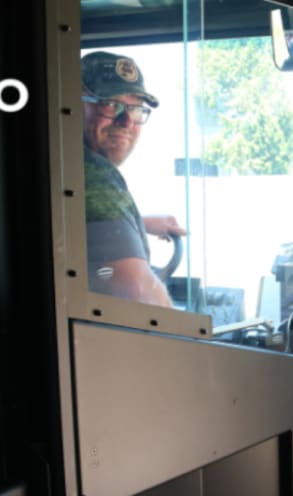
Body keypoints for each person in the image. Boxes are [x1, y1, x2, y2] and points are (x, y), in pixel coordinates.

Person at [81, 51, 185, 307]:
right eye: (110, 104)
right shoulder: (92, 173)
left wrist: (137, 223)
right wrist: (193, 342)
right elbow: (141, 294)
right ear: (72, 106)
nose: (126, 120)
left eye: (136, 108)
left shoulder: (67, 165)